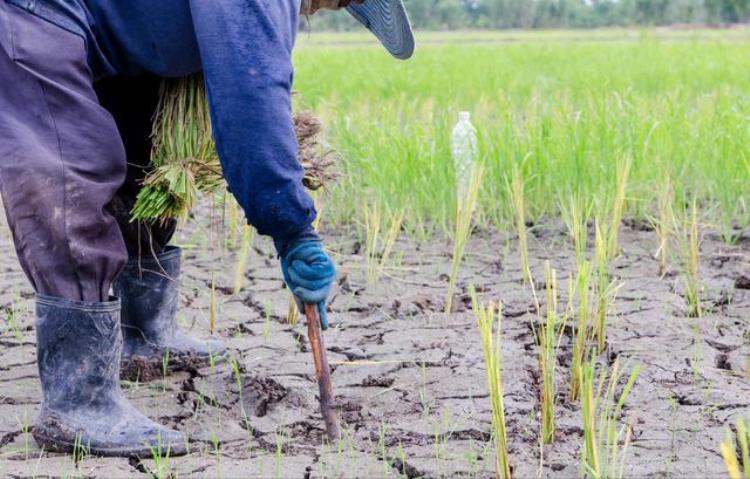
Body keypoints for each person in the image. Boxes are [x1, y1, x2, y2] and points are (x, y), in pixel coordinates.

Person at [0, 0, 413, 457]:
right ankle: (78, 403)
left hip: (109, 41)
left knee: (143, 158)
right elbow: (251, 96)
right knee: (72, 166)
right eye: (337, 3)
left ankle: (142, 337)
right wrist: (294, 230)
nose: (317, 12)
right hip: (31, 16)